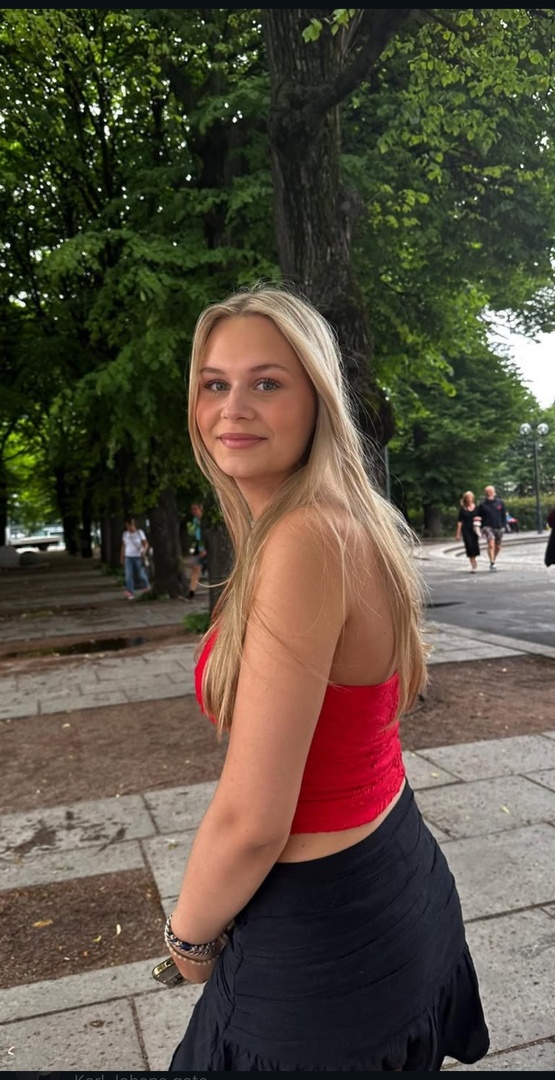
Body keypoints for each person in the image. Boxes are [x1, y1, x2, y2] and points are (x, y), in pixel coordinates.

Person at [167, 284, 489, 1072]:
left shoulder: (303, 540)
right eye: (214, 383)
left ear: (317, 400)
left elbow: (252, 820)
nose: (232, 407)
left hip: (321, 937)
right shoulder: (345, 519)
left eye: (266, 382)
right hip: (389, 873)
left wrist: (187, 941)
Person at [474, 484, 507, 571]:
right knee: (491, 543)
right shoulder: (482, 505)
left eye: (491, 492)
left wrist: (504, 525)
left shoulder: (500, 502)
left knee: (498, 546)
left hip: (499, 526)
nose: (489, 493)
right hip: (487, 526)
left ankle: (493, 559)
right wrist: (479, 527)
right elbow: (477, 516)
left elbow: (503, 515)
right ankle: (492, 562)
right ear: (485, 493)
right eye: (488, 492)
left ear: (494, 492)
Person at [120, 516, 150, 599]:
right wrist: (122, 557)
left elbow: (146, 544)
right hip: (128, 557)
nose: (128, 528)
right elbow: (123, 546)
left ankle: (146, 586)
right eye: (127, 526)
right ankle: (130, 592)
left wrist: (143, 551)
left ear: (133, 525)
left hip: (138, 557)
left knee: (141, 574)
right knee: (128, 575)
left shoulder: (139, 533)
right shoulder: (125, 534)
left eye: (129, 526)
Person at [185, 501, 208, 600]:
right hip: (199, 546)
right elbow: (194, 537)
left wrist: (206, 549)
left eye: (195, 509)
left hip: (207, 546)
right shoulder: (194, 522)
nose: (193, 511)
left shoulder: (205, 521)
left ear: (200, 508)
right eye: (192, 509)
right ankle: (191, 592)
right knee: (196, 568)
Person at [455, 490, 481, 572]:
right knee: (469, 545)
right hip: (466, 529)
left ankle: (474, 559)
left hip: (475, 529)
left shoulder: (477, 508)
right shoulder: (462, 509)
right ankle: (473, 564)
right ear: (465, 499)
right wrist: (458, 533)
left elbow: (481, 517)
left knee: (475, 545)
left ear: (473, 498)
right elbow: (460, 521)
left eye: (470, 498)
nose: (469, 499)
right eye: (467, 498)